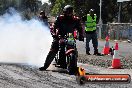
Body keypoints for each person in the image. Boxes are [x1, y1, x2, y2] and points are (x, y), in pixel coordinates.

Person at [39, 5, 84, 71]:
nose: (69, 14)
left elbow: (80, 29)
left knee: (73, 48)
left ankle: (73, 64)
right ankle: (45, 66)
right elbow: (53, 27)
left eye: (70, 12)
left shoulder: (76, 20)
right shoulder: (60, 18)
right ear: (64, 12)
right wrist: (54, 34)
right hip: (59, 36)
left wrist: (81, 36)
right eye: (67, 12)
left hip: (70, 36)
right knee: (53, 50)